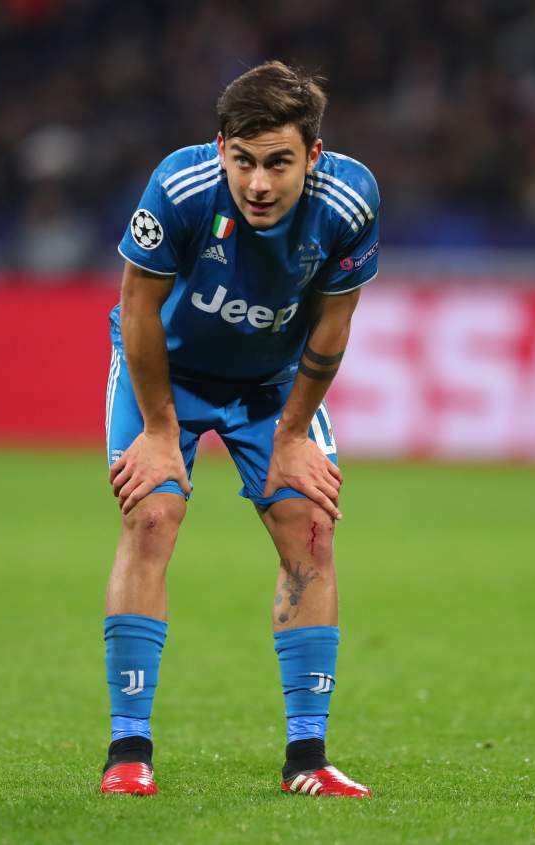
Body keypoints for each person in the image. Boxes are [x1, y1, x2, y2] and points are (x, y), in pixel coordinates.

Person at [101, 60, 379, 798]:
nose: (258, 183)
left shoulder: (349, 200)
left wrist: (292, 436)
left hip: (271, 383)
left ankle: (307, 759)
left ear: (312, 156)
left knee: (311, 527)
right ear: (221, 146)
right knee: (151, 515)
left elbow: (333, 324)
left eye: (278, 163)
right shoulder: (181, 188)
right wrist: (159, 429)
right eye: (244, 160)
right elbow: (138, 309)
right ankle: (128, 753)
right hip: (169, 375)